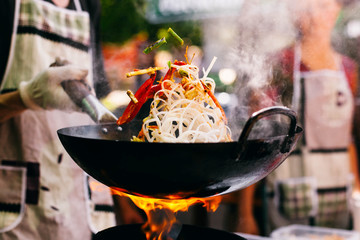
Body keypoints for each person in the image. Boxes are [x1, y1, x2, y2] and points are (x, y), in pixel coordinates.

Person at [0, 0, 143, 239]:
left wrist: (125, 202)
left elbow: (96, 125)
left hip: (82, 209)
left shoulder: (87, 5)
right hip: (16, 214)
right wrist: (24, 98)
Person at [264, 0, 360, 230]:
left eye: (328, 6)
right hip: (291, 194)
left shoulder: (348, 68)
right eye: (313, 6)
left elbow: (347, 140)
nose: (320, 14)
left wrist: (357, 188)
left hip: (339, 193)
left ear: (337, 12)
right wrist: (245, 213)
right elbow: (258, 136)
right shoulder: (280, 65)